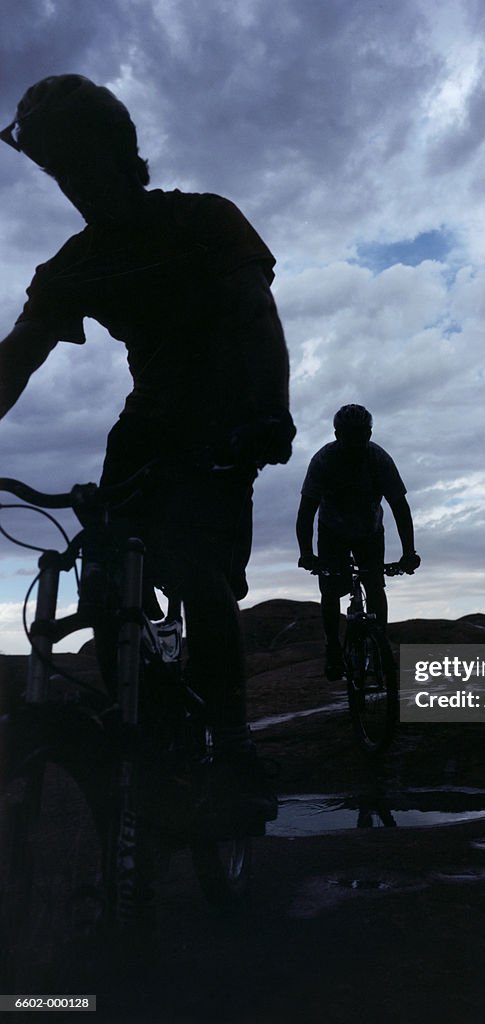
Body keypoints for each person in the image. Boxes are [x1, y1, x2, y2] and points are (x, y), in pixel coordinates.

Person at [0, 75, 295, 819]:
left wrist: (270, 416)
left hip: (226, 423)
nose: (72, 180)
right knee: (101, 582)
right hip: (143, 432)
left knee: (202, 579)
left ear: (122, 152)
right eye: (57, 168)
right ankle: (153, 732)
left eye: (80, 159)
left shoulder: (206, 220)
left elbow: (259, 317)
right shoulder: (73, 265)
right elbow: (19, 355)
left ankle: (233, 751)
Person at [296, 404, 420, 678]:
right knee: (331, 590)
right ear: (337, 434)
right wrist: (306, 553)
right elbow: (306, 511)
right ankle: (333, 648)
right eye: (348, 436)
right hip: (333, 532)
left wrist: (409, 551)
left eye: (360, 436)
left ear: (369, 433)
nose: (354, 443)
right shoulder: (323, 461)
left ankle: (380, 643)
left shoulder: (380, 459)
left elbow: (400, 507)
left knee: (374, 586)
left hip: (369, 532)